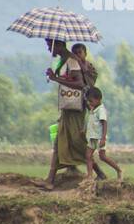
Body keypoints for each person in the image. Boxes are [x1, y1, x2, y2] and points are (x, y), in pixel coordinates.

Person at [39, 38, 94, 189]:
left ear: (58, 44)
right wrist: (53, 76)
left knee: (76, 141)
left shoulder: (71, 60)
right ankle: (50, 180)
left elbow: (80, 84)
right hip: (68, 108)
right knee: (60, 140)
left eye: (50, 45)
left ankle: (99, 173)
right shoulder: (64, 61)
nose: (49, 49)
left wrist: (56, 78)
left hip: (75, 109)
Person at [84, 87, 122, 180]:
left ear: (98, 99)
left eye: (91, 101)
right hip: (92, 138)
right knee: (88, 156)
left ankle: (119, 170)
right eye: (88, 101)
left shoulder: (101, 110)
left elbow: (104, 123)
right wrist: (84, 131)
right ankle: (89, 176)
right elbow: (91, 123)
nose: (89, 103)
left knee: (102, 157)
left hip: (99, 138)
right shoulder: (93, 109)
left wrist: (103, 138)